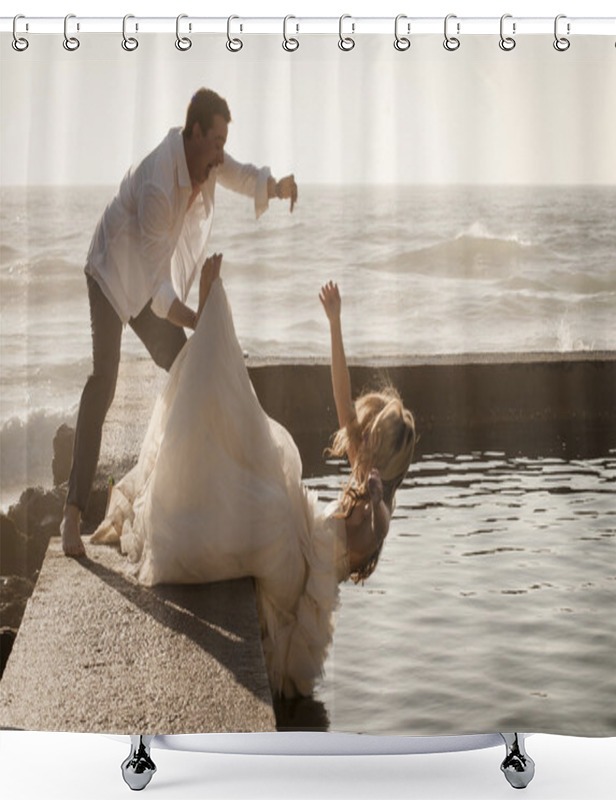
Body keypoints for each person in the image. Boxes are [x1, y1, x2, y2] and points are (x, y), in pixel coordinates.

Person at [90, 261, 416, 698]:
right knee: (261, 468)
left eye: (374, 444)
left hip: (298, 578)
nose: (364, 449)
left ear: (390, 460)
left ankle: (209, 341)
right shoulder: (363, 470)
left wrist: (374, 500)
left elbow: (372, 532)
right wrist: (335, 322)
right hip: (297, 553)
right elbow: (343, 397)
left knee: (267, 499)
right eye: (369, 440)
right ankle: (209, 374)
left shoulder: (380, 506)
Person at [61, 88, 298, 558]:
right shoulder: (156, 183)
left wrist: (275, 186)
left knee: (191, 368)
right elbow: (157, 292)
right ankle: (71, 517)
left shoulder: (207, 161)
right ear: (193, 134)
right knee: (104, 381)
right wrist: (202, 320)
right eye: (215, 142)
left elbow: (239, 174)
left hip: (150, 286)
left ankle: (181, 497)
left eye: (222, 143)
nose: (219, 153)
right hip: (112, 277)